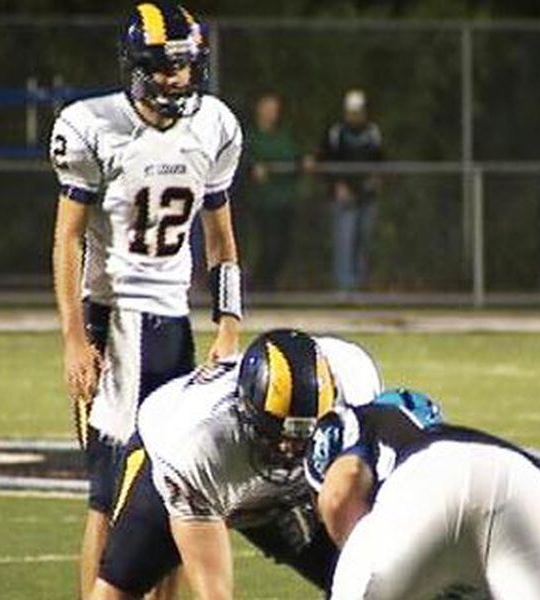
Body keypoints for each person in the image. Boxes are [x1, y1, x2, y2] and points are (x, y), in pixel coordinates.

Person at [47, 2, 244, 596]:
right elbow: (68, 238)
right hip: (115, 325)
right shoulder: (92, 125)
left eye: (185, 65)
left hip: (174, 327)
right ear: (137, 67)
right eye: (164, 65)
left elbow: (221, 240)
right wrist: (74, 337)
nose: (177, 77)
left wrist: (229, 325)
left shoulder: (214, 125)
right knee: (109, 498)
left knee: (176, 491)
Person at [87, 329, 383, 600]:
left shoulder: (355, 386)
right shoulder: (196, 443)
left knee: (375, 580)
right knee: (118, 589)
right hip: (189, 474)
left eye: (303, 439)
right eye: (277, 436)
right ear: (246, 410)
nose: (289, 450)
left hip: (289, 491)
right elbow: (214, 593)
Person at [309, 391, 540, 599]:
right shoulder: (439, 436)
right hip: (532, 488)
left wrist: (354, 558)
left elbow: (337, 496)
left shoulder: (361, 422)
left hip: (429, 478)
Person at [319, 89, 384, 294]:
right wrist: (338, 185)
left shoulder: (372, 132)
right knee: (344, 241)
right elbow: (326, 161)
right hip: (343, 197)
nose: (355, 116)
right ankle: (344, 288)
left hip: (367, 196)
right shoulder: (336, 132)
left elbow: (380, 160)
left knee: (363, 241)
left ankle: (360, 285)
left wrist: (375, 179)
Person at [244, 93, 307, 290]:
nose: (272, 113)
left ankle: (269, 283)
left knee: (284, 245)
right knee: (269, 243)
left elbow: (295, 156)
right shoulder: (251, 137)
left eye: (275, 110)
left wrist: (304, 161)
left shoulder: (283, 136)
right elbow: (244, 160)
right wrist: (254, 167)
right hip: (263, 200)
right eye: (268, 109)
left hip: (285, 199)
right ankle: (258, 282)